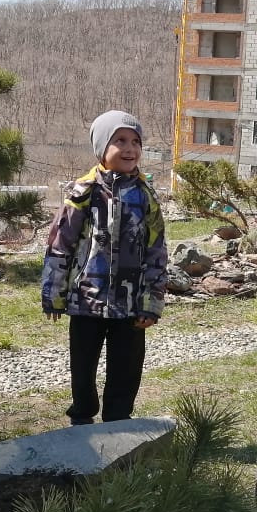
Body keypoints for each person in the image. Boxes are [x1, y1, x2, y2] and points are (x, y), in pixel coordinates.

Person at [41, 110, 167, 425]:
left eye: (135, 141)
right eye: (120, 140)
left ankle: (118, 420)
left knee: (126, 367)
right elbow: (60, 244)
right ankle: (81, 418)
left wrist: (152, 301)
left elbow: (156, 251)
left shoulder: (146, 196)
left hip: (130, 304)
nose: (130, 149)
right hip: (86, 301)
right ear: (101, 148)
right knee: (83, 367)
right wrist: (54, 293)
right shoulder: (82, 192)